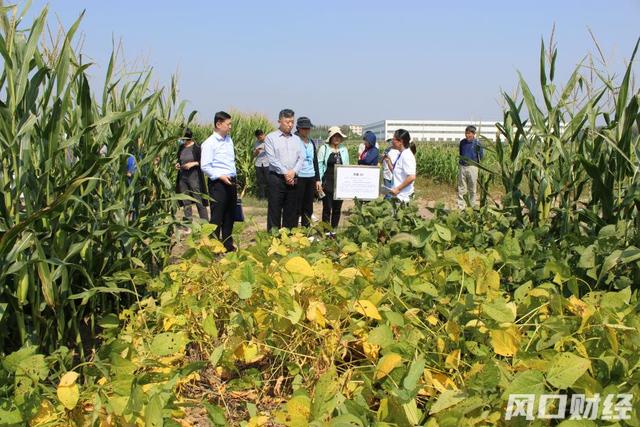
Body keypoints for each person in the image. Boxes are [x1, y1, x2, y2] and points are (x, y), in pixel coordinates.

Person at [200, 111, 238, 252]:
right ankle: (214, 247)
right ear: (218, 124)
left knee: (230, 214)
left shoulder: (229, 140)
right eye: (228, 124)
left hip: (231, 180)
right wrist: (220, 176)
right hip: (218, 183)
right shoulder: (209, 143)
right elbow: (205, 166)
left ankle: (227, 244)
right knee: (217, 215)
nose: (230, 127)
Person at [264, 109, 305, 231]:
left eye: (292, 122)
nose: (290, 125)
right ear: (279, 121)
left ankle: (289, 237)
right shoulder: (271, 138)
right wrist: (286, 173)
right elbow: (272, 159)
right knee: (275, 209)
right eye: (287, 122)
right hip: (276, 178)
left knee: (291, 210)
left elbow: (301, 157)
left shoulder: (297, 139)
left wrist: (293, 172)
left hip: (293, 178)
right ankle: (273, 238)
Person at [318, 126, 350, 231]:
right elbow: (319, 165)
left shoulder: (344, 150)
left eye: (338, 136)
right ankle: (326, 231)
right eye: (334, 136)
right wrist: (319, 182)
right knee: (327, 208)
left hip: (340, 183)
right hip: (328, 182)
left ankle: (334, 230)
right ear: (330, 137)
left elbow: (347, 166)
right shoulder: (324, 148)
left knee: (337, 208)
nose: (337, 138)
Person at [175, 128, 208, 223]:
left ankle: (205, 224)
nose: (182, 140)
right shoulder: (181, 147)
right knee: (186, 201)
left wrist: (193, 164)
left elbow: (203, 162)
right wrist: (178, 164)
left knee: (199, 200)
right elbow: (179, 159)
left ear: (187, 138)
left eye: (183, 138)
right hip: (182, 177)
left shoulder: (197, 148)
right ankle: (187, 224)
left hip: (194, 177)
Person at [294, 116, 321, 227]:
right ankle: (294, 229)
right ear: (298, 128)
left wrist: (317, 179)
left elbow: (315, 161)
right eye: (304, 128)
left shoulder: (311, 142)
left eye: (308, 128)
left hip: (311, 176)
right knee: (297, 204)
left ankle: (306, 228)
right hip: (299, 176)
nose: (306, 130)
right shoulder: (294, 140)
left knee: (308, 205)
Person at [457, 125, 484, 209]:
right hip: (462, 167)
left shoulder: (477, 144)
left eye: (469, 133)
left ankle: (472, 206)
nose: (467, 135)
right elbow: (461, 153)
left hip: (473, 167)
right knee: (461, 188)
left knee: (472, 188)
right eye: (466, 133)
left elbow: (481, 156)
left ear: (473, 134)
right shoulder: (462, 142)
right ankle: (461, 207)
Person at [388, 129, 417, 203]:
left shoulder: (407, 155)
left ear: (400, 141)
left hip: (404, 198)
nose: (392, 141)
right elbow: (396, 172)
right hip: (398, 196)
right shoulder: (401, 154)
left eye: (393, 139)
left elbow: (411, 177)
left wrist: (398, 189)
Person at [253, 129, 269, 199]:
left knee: (268, 181)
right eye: (258, 138)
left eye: (260, 137)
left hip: (267, 164)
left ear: (263, 134)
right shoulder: (256, 143)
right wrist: (256, 151)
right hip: (258, 164)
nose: (259, 139)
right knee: (260, 181)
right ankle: (261, 197)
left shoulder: (269, 141)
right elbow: (254, 155)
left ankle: (269, 196)